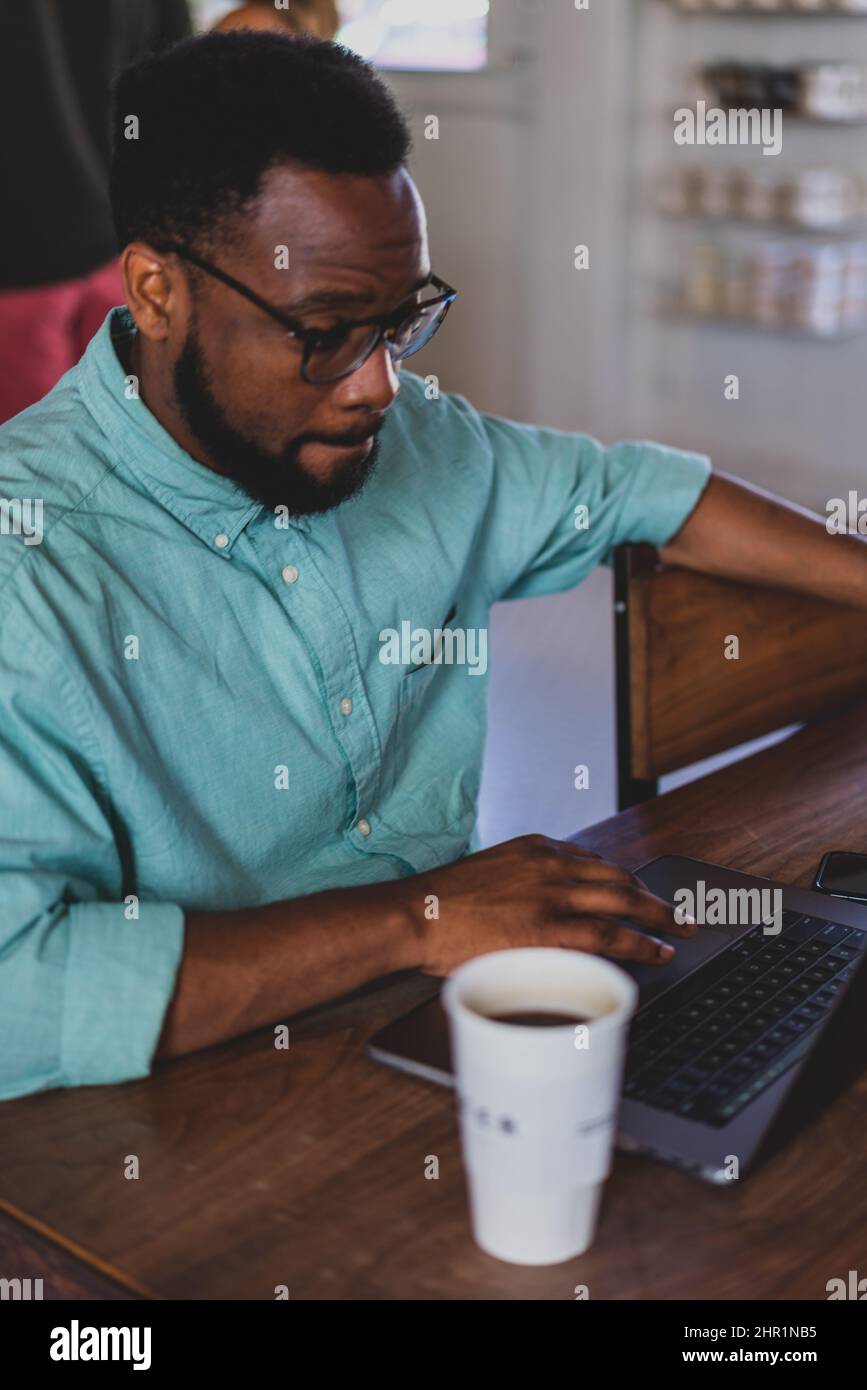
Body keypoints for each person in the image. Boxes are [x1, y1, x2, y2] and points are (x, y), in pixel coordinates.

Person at [2, 31, 866, 1100]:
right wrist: (419, 917)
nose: (375, 387)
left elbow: (636, 491)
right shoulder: (26, 566)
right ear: (156, 290)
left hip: (428, 1034)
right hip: (164, 1120)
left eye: (398, 322)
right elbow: (19, 997)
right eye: (322, 332)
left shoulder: (421, 444)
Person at [0, 0, 192, 425]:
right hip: (129, 254)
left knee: (33, 469)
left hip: (21, 271)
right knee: (123, 451)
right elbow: (179, 81)